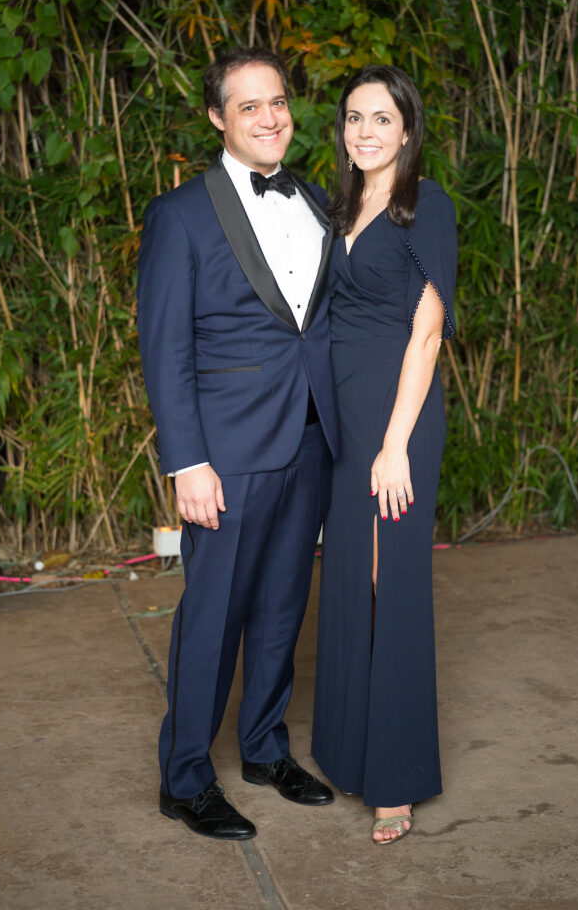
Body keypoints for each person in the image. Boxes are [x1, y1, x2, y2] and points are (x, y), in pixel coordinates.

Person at [137, 46, 340, 841]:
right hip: (225, 455)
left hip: (311, 438)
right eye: (249, 105)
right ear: (219, 118)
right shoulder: (181, 214)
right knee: (213, 617)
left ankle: (262, 749)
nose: (270, 116)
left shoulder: (314, 198)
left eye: (279, 101)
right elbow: (165, 347)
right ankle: (185, 779)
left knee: (285, 609)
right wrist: (187, 462)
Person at [311, 66, 457, 845]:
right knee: (347, 578)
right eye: (353, 118)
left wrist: (396, 444)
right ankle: (347, 750)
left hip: (395, 419)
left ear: (408, 128)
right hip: (344, 418)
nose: (364, 131)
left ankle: (395, 779)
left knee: (385, 579)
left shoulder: (424, 207)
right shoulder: (342, 204)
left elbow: (426, 331)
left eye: (381, 119)